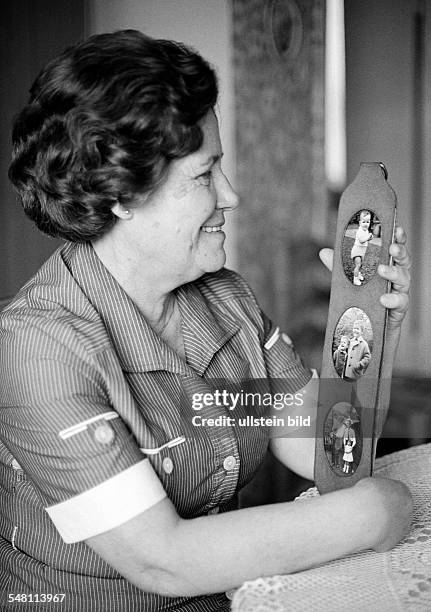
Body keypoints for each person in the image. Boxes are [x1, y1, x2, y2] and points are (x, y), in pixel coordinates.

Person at [0, 30, 413, 612]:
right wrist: (370, 516)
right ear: (120, 193)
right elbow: (162, 561)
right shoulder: (36, 348)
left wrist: (370, 331)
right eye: (203, 175)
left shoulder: (225, 299)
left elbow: (323, 450)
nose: (231, 196)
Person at [351, 209, 374, 285]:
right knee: (358, 265)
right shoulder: (359, 231)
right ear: (360, 222)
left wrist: (370, 237)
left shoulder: (366, 230)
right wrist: (368, 237)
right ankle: (355, 279)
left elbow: (366, 239)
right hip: (357, 250)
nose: (366, 224)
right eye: (364, 222)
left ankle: (358, 274)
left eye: (368, 222)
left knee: (361, 264)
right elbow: (361, 240)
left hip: (362, 250)